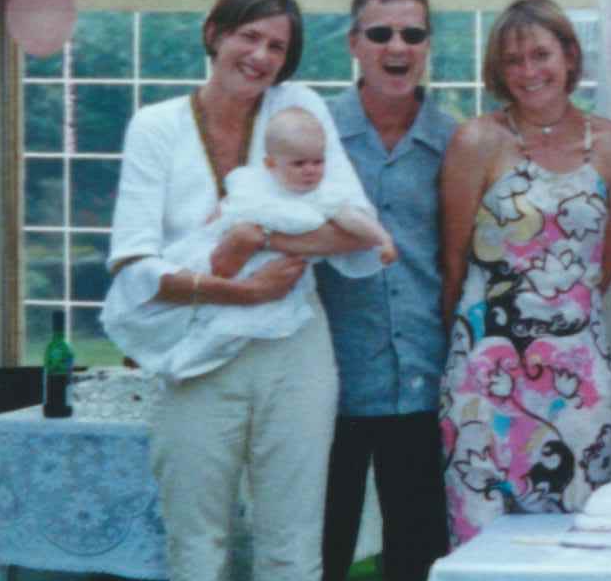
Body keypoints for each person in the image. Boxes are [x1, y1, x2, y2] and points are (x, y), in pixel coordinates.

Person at [108, 0, 374, 581]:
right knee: (199, 568)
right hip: (196, 360)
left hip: (297, 356)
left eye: (278, 47)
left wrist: (265, 242)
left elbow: (355, 228)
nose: (261, 58)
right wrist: (235, 291)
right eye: (249, 38)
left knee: (295, 562)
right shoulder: (155, 126)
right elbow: (132, 267)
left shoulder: (298, 112)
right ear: (214, 33)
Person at [280, 0, 457, 581]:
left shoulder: (456, 142)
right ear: (352, 43)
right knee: (314, 566)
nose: (396, 49)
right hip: (325, 389)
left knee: (418, 571)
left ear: (429, 46)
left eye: (411, 35)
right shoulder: (308, 135)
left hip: (423, 389)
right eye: (380, 33)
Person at [439, 0, 611, 543]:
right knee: (479, 531)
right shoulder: (476, 141)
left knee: (574, 532)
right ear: (498, 70)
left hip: (576, 376)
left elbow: (604, 265)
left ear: (570, 56)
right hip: (484, 371)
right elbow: (452, 262)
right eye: (513, 61)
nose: (529, 72)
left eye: (541, 55)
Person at [102, 106, 393, 381]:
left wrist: (383, 239)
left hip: (273, 277)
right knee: (177, 301)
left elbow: (354, 220)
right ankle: (153, 349)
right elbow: (222, 216)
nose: (310, 171)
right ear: (271, 164)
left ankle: (177, 364)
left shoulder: (323, 195)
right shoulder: (252, 183)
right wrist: (222, 237)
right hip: (215, 258)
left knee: (225, 332)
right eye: (299, 163)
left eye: (318, 162)